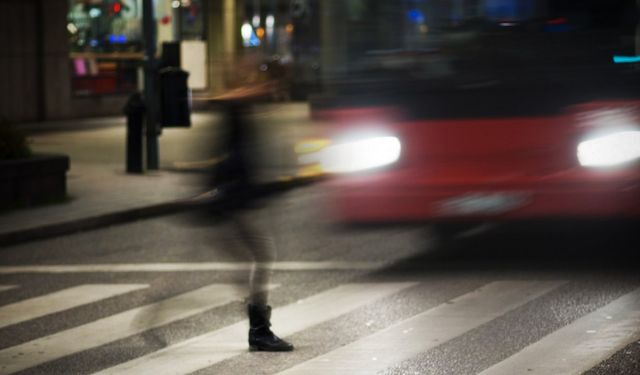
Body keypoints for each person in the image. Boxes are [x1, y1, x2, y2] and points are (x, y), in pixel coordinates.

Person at [207, 81, 294, 352]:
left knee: (255, 259)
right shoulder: (237, 130)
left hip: (230, 209)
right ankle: (258, 329)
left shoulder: (235, 131)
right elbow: (240, 176)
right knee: (259, 256)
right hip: (230, 211)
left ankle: (258, 324)